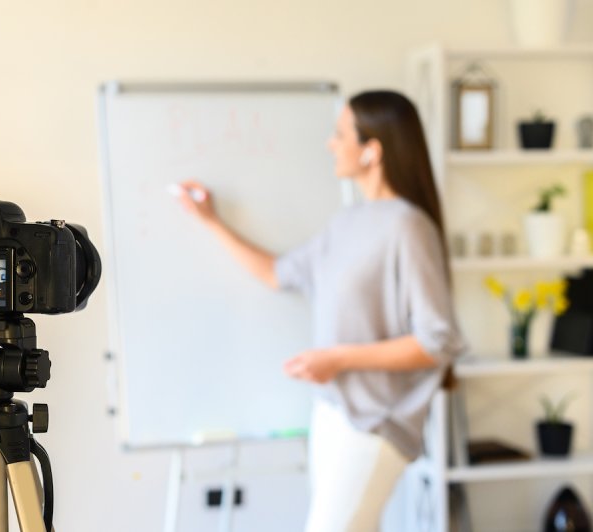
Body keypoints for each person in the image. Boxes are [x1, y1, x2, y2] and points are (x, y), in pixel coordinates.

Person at [175, 90, 465, 532]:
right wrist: (211, 221)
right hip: (331, 414)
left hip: (376, 422)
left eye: (341, 134)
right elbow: (277, 274)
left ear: (372, 150)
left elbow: (436, 341)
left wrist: (339, 358)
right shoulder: (347, 223)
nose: (331, 144)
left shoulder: (408, 226)